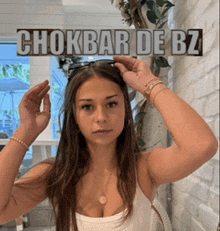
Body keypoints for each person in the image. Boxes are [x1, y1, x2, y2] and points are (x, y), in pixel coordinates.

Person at [0, 56, 218, 231]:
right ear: (74, 114)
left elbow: (201, 146)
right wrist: (25, 131)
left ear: (125, 109)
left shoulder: (144, 169)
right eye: (87, 107)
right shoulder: (57, 173)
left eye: (112, 104)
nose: (101, 117)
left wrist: (151, 85)